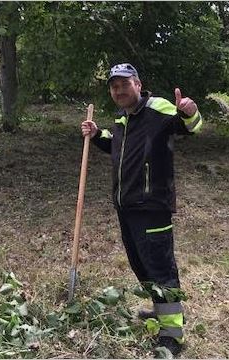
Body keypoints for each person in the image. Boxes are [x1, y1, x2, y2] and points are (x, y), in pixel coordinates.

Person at [80, 63, 203, 356]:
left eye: (124, 84)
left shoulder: (157, 108)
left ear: (137, 84)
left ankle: (172, 333)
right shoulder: (123, 117)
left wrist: (189, 111)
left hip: (151, 207)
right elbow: (117, 147)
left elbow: (190, 127)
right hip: (126, 207)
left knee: (160, 268)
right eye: (114, 86)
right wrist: (98, 134)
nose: (119, 90)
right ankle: (162, 311)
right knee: (141, 265)